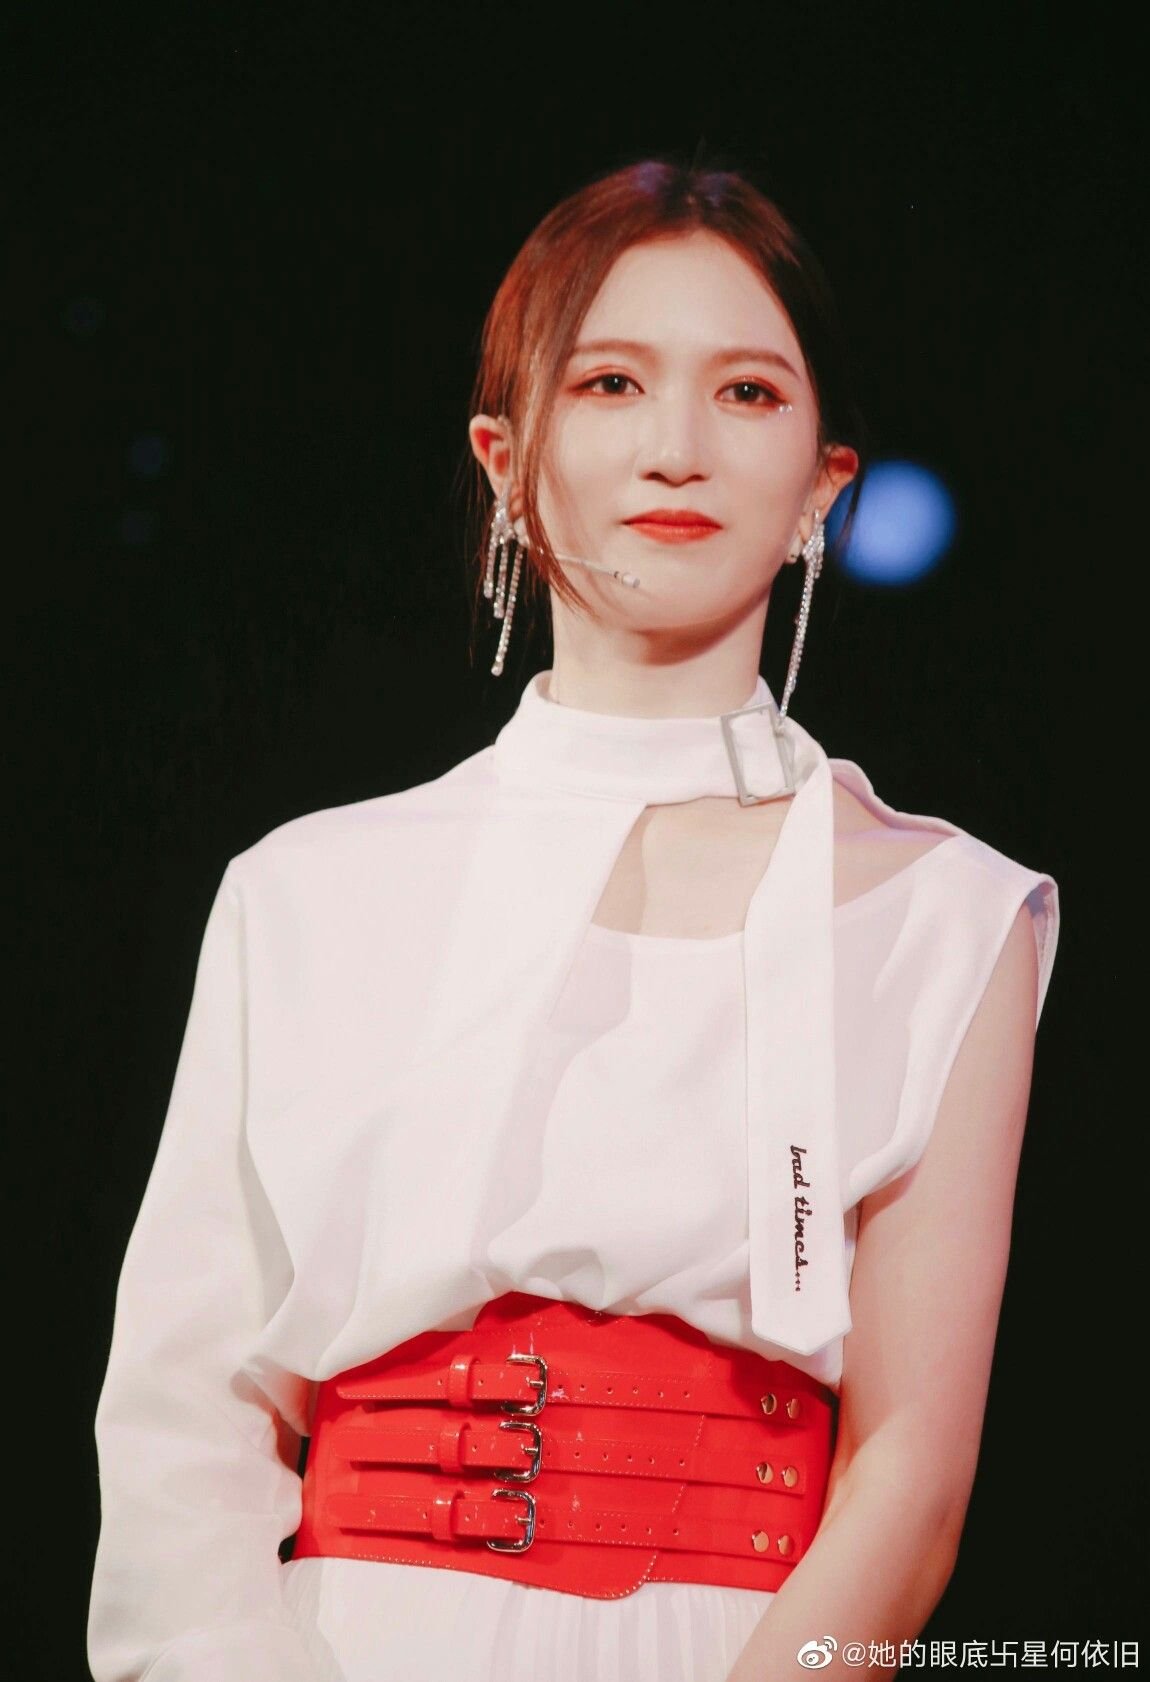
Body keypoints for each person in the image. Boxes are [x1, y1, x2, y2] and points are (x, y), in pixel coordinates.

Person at [87, 160, 1059, 1682]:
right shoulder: (305, 892)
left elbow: (909, 1484)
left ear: (823, 485)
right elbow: (180, 1423)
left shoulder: (943, 915)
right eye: (611, 382)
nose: (676, 449)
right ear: (505, 456)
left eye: (747, 393)